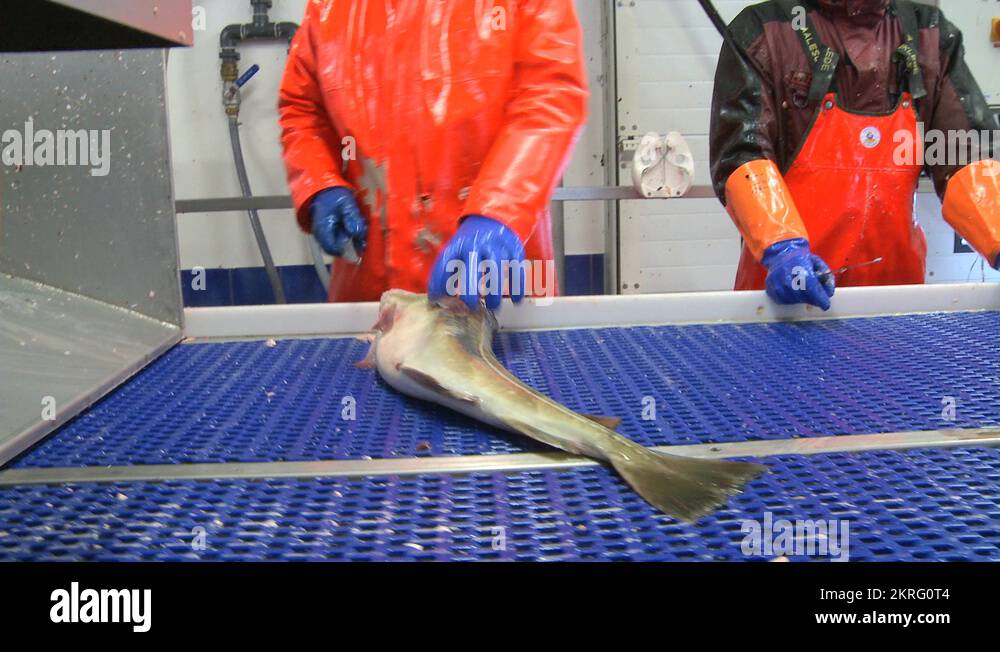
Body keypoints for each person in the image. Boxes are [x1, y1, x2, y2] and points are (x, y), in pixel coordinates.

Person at [278, 0, 587, 309]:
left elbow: (551, 98)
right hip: (371, 294)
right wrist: (320, 183)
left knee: (516, 356)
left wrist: (499, 211)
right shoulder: (329, 7)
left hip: (496, 272)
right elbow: (302, 109)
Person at [710, 0, 1000, 310]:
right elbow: (742, 151)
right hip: (786, 301)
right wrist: (784, 249)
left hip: (893, 305)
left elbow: (963, 153)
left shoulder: (929, 34)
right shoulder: (764, 31)